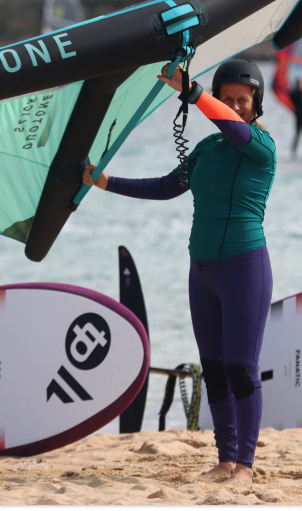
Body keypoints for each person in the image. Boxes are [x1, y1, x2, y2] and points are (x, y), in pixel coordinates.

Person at [83, 59, 275, 485]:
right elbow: (168, 186)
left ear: (255, 104)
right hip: (201, 270)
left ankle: (245, 465)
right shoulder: (207, 148)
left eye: (243, 100)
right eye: (228, 99)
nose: (235, 106)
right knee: (215, 365)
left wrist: (194, 93)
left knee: (242, 367)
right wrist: (107, 182)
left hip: (245, 268)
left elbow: (237, 130)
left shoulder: (261, 146)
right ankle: (225, 458)